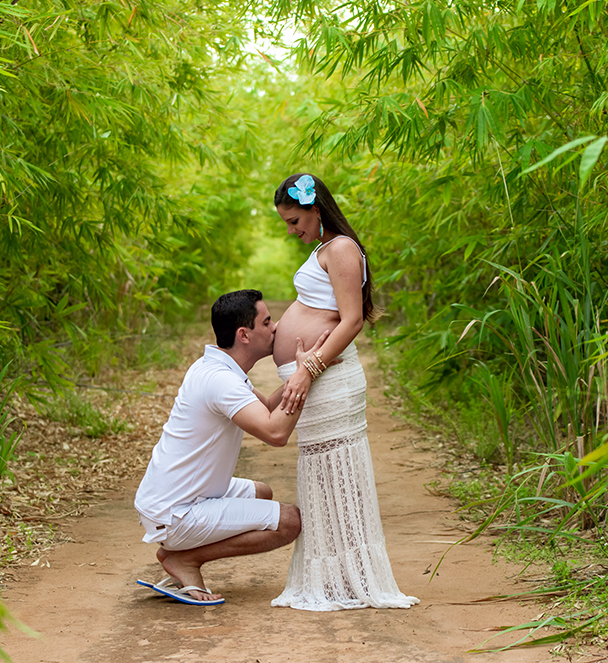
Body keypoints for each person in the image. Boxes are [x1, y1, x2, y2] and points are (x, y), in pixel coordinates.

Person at [269, 173, 419, 611]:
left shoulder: (341, 249)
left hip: (328, 380)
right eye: (287, 223)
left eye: (296, 220)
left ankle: (353, 578)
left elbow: (351, 320)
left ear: (317, 209)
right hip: (316, 379)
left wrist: (307, 370)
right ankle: (335, 577)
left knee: (340, 475)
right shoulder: (324, 250)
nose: (293, 230)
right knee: (321, 478)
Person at [134, 289, 330, 606]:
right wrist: (304, 377)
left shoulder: (218, 368)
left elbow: (266, 405)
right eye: (267, 322)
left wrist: (307, 371)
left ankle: (181, 554)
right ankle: (184, 559)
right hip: (175, 513)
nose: (276, 327)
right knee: (289, 521)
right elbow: (275, 432)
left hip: (170, 499)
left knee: (262, 493)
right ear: (244, 334)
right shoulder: (219, 380)